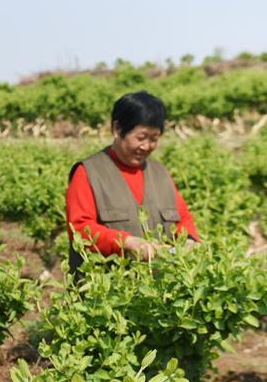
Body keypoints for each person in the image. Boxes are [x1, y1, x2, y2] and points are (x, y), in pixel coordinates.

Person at [66, 91, 200, 273]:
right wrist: (126, 242)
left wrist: (190, 241)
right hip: (108, 292)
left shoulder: (160, 173)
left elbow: (183, 219)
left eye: (154, 139)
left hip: (158, 290)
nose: (146, 146)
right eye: (140, 138)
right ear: (117, 129)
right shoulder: (88, 172)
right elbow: (80, 228)